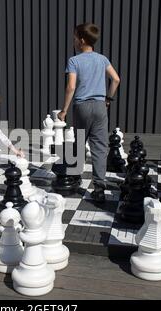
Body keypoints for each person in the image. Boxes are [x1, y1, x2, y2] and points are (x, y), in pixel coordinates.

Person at [58, 23, 121, 202]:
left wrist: (64, 110)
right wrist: (108, 99)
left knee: (79, 142)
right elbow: (116, 79)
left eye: (75, 37)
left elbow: (71, 87)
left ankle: (75, 178)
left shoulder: (74, 60)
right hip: (101, 105)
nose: (74, 41)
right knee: (100, 148)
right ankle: (99, 188)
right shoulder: (102, 59)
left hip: (82, 106)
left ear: (82, 40)